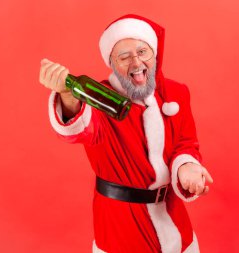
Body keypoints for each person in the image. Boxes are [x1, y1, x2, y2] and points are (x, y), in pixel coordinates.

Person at [39, 14, 213, 253]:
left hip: (172, 215)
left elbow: (186, 142)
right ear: (112, 63)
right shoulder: (100, 99)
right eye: (124, 56)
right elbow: (80, 128)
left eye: (143, 52)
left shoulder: (177, 92)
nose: (136, 62)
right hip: (121, 223)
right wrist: (68, 95)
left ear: (155, 54)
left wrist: (187, 167)